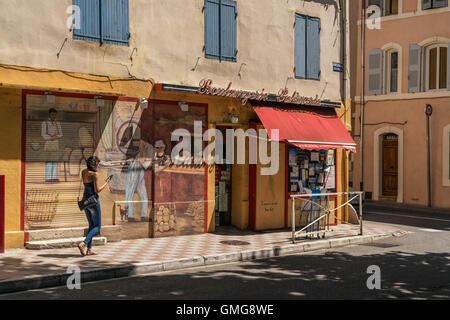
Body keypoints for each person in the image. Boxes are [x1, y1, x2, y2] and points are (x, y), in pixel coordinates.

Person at [78, 156, 112, 256]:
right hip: (93, 201)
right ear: (93, 163)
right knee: (97, 226)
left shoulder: (84, 172)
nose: (98, 164)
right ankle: (84, 243)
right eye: (97, 163)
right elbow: (97, 190)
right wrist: (106, 182)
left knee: (91, 225)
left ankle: (89, 249)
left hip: (85, 201)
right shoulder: (95, 174)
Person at [41, 108, 63, 182]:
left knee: (55, 160)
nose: (54, 116)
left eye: (55, 115)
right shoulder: (45, 123)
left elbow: (61, 134)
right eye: (52, 114)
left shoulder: (58, 123)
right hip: (48, 143)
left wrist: (56, 137)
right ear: (49, 114)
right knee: (48, 160)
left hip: (56, 143)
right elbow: (43, 134)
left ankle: (54, 177)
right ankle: (48, 177)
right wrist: (51, 137)